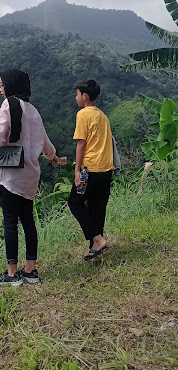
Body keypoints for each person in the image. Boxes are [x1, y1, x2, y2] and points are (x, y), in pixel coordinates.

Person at [0, 69, 64, 286]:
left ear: (11, 85)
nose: (0, 89)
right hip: (29, 175)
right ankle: (31, 270)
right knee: (27, 220)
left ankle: (11, 273)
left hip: (10, 173)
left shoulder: (9, 104)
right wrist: (53, 158)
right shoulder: (34, 111)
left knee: (9, 220)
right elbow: (46, 143)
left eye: (1, 84)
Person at [67, 79, 114, 261]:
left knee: (75, 202)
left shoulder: (83, 114)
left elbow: (81, 143)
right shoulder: (102, 116)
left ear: (84, 96)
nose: (76, 97)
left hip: (90, 168)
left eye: (77, 94)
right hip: (106, 168)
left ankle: (97, 239)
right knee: (97, 208)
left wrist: (77, 171)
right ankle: (94, 249)